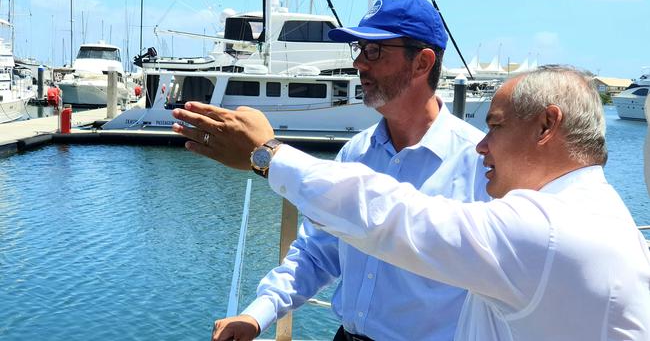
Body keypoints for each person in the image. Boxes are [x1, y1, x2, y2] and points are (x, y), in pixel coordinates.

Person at [172, 65, 650, 340]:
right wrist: (261, 311)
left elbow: (396, 219)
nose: (483, 145)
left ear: (547, 126)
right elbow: (324, 246)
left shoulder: (547, 230)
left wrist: (267, 155)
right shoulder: (599, 213)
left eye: (497, 126)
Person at [183, 0, 490, 341]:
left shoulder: (479, 164)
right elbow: (318, 251)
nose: (360, 63)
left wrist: (266, 154)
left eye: (374, 51)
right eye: (359, 49)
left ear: (422, 62)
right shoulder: (355, 152)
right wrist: (257, 314)